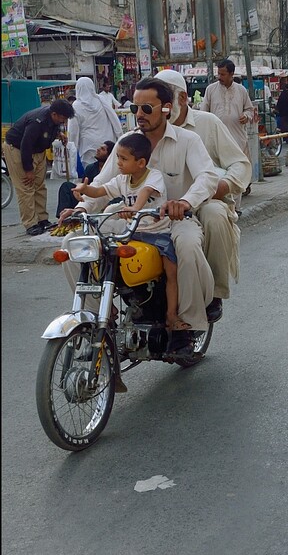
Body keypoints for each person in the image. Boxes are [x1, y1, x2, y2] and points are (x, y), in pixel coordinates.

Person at [60, 77, 219, 355]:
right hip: (130, 219)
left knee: (189, 247)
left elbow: (207, 176)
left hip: (173, 221)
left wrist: (184, 201)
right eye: (135, 109)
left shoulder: (187, 140)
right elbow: (104, 183)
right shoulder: (127, 142)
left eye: (147, 108)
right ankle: (101, 319)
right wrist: (82, 208)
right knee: (74, 245)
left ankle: (185, 324)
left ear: (166, 108)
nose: (140, 115)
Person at [155, 68, 251, 323]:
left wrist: (224, 185)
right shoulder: (150, 128)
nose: (161, 108)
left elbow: (240, 164)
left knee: (214, 216)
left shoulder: (207, 123)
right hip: (163, 208)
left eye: (167, 100)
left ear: (183, 99)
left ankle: (215, 292)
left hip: (206, 201)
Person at [72, 133, 186, 332]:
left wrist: (135, 209)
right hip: (131, 234)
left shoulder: (154, 176)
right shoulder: (121, 180)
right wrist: (85, 189)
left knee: (172, 272)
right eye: (118, 158)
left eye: (124, 159)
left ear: (141, 162)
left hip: (157, 234)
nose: (119, 163)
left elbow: (145, 192)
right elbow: (100, 192)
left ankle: (171, 315)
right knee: (103, 258)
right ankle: (108, 307)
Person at [3, 99, 76, 235]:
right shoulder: (37, 122)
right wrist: (28, 169)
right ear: (54, 114)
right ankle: (30, 223)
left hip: (38, 151)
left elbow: (48, 131)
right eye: (63, 118)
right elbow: (26, 145)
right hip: (18, 150)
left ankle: (42, 219)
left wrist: (59, 135)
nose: (64, 122)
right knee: (26, 187)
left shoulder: (54, 120)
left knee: (40, 186)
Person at [200, 58, 256, 194]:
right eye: (218, 74)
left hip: (237, 137)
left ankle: (237, 204)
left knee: (238, 169)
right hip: (217, 138)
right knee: (220, 169)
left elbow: (250, 109)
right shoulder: (210, 90)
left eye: (223, 74)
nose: (219, 77)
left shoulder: (241, 90)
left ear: (232, 74)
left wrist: (246, 116)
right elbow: (203, 113)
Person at [67, 77, 123, 168]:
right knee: (108, 170)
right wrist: (120, 136)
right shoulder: (101, 99)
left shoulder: (76, 106)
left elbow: (73, 131)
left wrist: (72, 148)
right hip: (107, 143)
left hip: (89, 146)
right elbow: (114, 118)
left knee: (91, 172)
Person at [56, 140, 114, 217]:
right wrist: (78, 191)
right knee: (66, 186)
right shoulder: (90, 168)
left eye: (103, 149)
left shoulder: (114, 170)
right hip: (86, 198)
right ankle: (63, 218)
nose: (98, 150)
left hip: (106, 199)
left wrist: (109, 204)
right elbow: (83, 187)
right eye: (99, 147)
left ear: (109, 155)